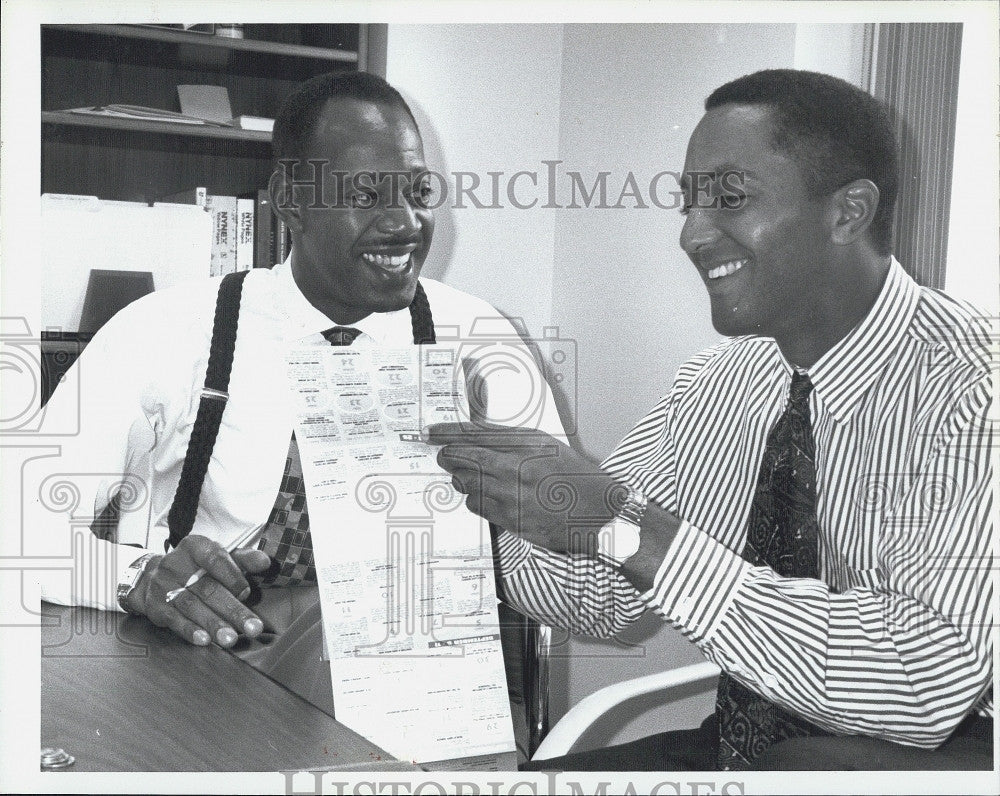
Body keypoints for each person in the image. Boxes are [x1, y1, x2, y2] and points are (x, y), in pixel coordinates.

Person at [428, 69, 994, 771]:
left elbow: (923, 682)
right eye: (689, 204)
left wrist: (626, 527)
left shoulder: (976, 388)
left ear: (848, 212)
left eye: (728, 199)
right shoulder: (716, 384)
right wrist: (473, 515)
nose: (692, 234)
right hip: (742, 747)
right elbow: (599, 597)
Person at [33, 71, 563, 757]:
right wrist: (134, 577)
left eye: (417, 191)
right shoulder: (169, 331)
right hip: (218, 666)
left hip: (421, 682)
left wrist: (519, 505)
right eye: (366, 194)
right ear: (291, 200)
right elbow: (20, 529)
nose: (405, 222)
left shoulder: (476, 338)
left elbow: (563, 537)